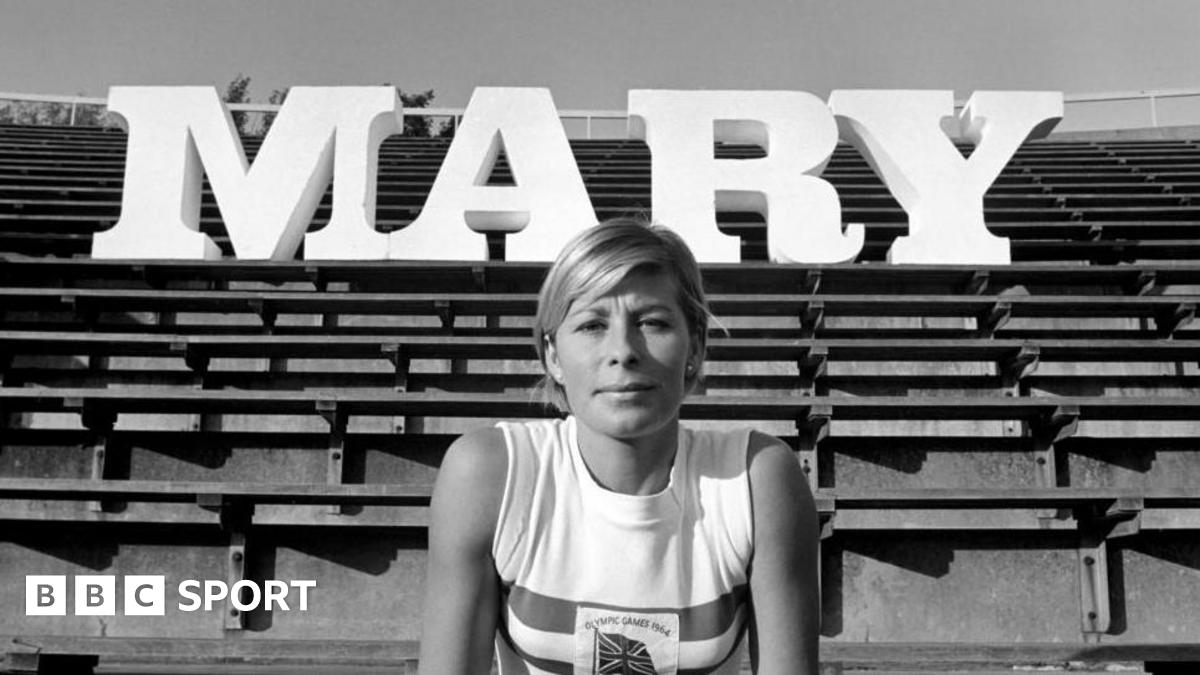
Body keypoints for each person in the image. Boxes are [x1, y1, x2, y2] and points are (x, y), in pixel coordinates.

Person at [418, 218, 820, 674]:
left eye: (652, 321)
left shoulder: (757, 479)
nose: (623, 350)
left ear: (696, 348)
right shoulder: (491, 473)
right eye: (592, 325)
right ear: (553, 356)